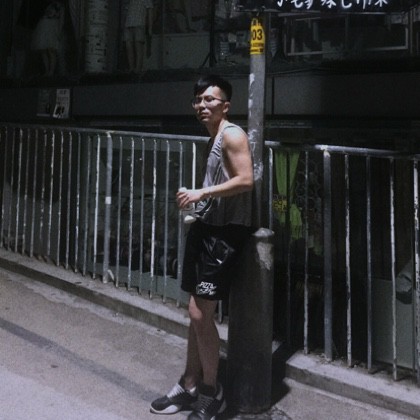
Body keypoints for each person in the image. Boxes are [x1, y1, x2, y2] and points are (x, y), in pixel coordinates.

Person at [150, 74, 254, 419]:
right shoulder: (214, 137)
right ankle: (190, 383)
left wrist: (201, 193)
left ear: (226, 105)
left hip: (224, 235)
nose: (202, 105)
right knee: (195, 314)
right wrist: (199, 204)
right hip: (207, 228)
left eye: (210, 99)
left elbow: (246, 180)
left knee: (199, 313)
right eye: (198, 99)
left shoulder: (232, 134)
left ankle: (212, 392)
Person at [31, 1, 64, 76]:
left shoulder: (60, 6)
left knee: (51, 50)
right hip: (44, 26)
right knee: (43, 50)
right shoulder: (48, 4)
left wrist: (59, 32)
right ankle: (47, 70)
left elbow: (61, 20)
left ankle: (51, 71)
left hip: (52, 27)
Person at [124, 0, 154, 73]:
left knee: (138, 46)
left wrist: (150, 28)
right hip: (128, 23)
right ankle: (131, 68)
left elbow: (150, 12)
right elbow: (126, 10)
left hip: (139, 23)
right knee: (128, 46)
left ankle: (138, 68)